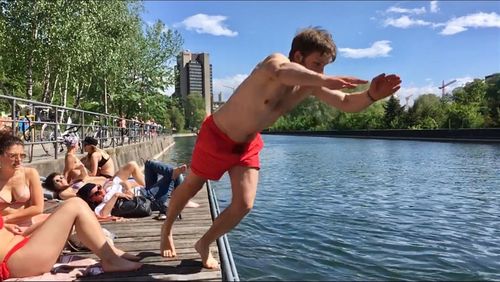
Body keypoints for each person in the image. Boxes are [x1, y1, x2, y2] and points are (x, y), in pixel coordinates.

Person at [160, 26, 402, 268]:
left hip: (247, 144)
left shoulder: (310, 85)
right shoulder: (274, 62)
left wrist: (371, 95)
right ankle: (167, 230)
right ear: (298, 56)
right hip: (217, 136)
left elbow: (346, 102)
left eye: (325, 66)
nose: (322, 71)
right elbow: (282, 71)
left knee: (244, 204)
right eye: (318, 63)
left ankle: (204, 243)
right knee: (192, 184)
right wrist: (324, 79)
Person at [0, 197, 142, 280]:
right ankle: (111, 259)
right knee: (75, 205)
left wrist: (5, 226)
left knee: (59, 214)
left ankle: (110, 252)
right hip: (16, 260)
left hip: (20, 244)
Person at [76, 161, 191, 218]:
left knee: (149, 163)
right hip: (147, 199)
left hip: (143, 191)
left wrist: (127, 189)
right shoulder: (102, 206)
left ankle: (173, 175)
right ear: (92, 200)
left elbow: (123, 181)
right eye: (97, 193)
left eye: (99, 188)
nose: (101, 191)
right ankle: (174, 177)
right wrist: (116, 195)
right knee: (173, 176)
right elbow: (104, 214)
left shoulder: (108, 187)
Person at [0, 132, 47, 234]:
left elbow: (38, 208)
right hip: (3, 228)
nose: (19, 160)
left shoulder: (30, 174)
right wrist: (4, 224)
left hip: (27, 224)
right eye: (13, 156)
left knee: (67, 212)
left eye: (22, 155)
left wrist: (6, 218)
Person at [44, 160, 146, 201]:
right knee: (132, 166)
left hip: (109, 182)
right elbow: (82, 196)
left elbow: (84, 175)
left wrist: (80, 167)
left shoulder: (73, 183)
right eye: (57, 181)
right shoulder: (64, 193)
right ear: (54, 187)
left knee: (140, 183)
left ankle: (148, 187)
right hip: (107, 188)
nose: (61, 180)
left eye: (61, 177)